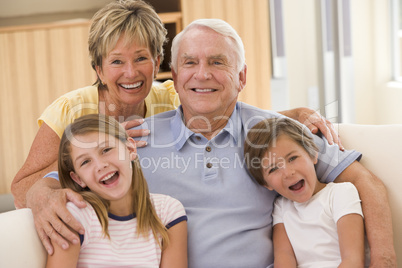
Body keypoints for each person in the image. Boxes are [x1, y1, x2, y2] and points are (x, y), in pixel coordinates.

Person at [11, 0, 341, 255]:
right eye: (115, 61)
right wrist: (93, 156)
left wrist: (293, 114)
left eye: (141, 58)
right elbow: (23, 184)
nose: (130, 73)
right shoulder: (72, 109)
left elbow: (227, 107)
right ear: (98, 67)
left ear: (158, 63)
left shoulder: (170, 95)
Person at [131, 19, 395, 267]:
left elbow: (366, 183)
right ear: (175, 77)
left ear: (241, 77)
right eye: (190, 63)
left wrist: (384, 261)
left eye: (217, 62)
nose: (202, 74)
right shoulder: (136, 141)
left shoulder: (276, 132)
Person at [46, 114, 187, 268]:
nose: (100, 165)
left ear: (130, 149)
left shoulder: (167, 211)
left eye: (106, 150)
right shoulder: (74, 216)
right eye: (85, 162)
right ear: (78, 179)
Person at [244, 117, 365, 267]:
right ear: (265, 183)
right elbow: (284, 258)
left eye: (292, 158)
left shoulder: (341, 193)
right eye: (274, 169)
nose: (288, 173)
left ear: (313, 153)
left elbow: (353, 260)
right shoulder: (281, 207)